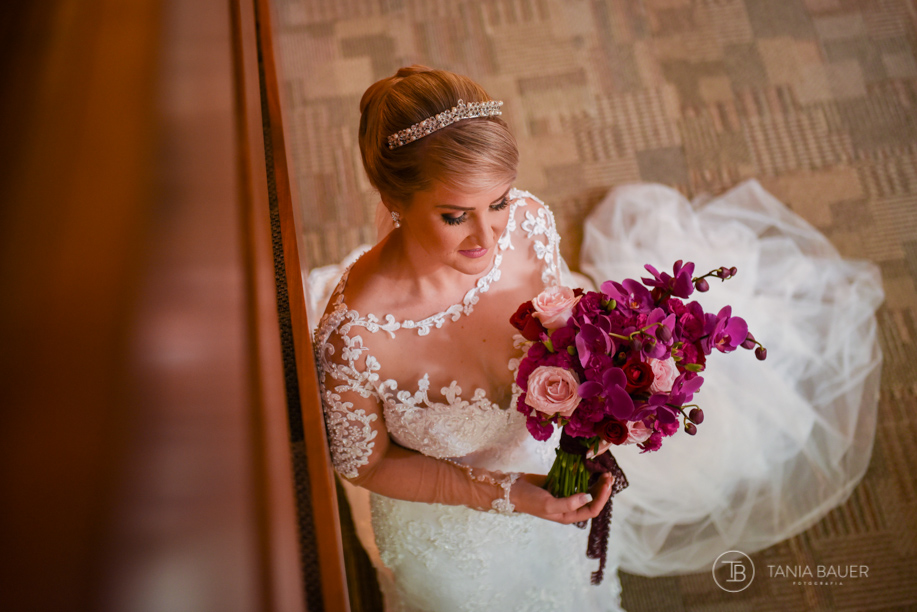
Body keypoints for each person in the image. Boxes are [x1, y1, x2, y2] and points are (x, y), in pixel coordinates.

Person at [312, 65, 884, 610]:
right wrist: (510, 493)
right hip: (453, 532)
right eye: (455, 216)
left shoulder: (530, 227)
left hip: (551, 463)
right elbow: (368, 465)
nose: (487, 237)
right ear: (394, 203)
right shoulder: (355, 338)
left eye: (499, 201)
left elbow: (567, 335)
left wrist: (595, 421)